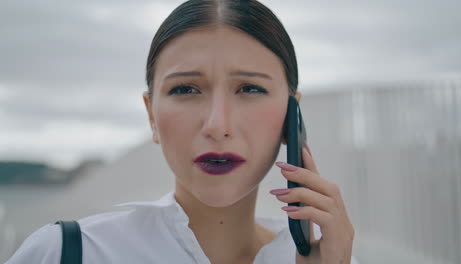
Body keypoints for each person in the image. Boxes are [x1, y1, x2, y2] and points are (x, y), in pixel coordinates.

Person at [6, 0, 357, 263]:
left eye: (250, 88)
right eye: (185, 89)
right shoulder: (67, 253)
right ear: (151, 117)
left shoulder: (333, 257)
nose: (217, 126)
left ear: (291, 117)